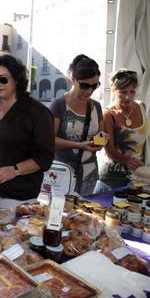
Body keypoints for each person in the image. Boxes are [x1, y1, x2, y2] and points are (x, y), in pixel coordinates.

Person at [0, 55, 54, 210]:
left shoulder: (37, 113)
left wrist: (14, 170)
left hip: (19, 196)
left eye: (3, 79)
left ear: (16, 79)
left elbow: (44, 157)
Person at [49, 54, 104, 196]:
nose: (90, 91)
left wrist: (100, 141)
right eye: (85, 85)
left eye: (95, 85)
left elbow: (101, 134)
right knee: (60, 213)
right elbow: (49, 140)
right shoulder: (59, 104)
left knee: (83, 215)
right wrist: (79, 145)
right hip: (62, 171)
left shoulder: (96, 106)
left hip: (89, 171)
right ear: (73, 79)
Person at [95, 69, 150, 192]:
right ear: (113, 90)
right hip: (112, 176)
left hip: (138, 173)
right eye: (123, 92)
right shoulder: (108, 114)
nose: (128, 97)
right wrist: (129, 160)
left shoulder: (141, 106)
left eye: (132, 91)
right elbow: (110, 152)